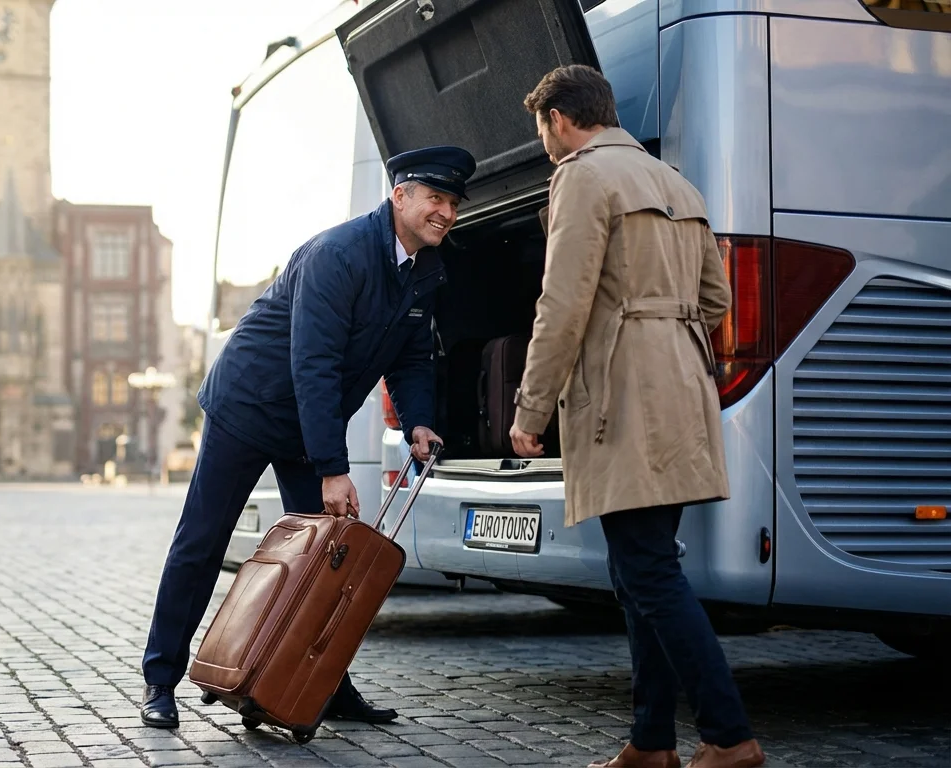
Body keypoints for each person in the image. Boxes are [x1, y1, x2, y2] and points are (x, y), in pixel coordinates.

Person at [139, 145, 474, 729]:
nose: (445, 212)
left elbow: (412, 355)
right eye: (435, 198)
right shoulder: (337, 255)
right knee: (202, 541)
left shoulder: (426, 269)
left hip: (306, 420)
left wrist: (418, 420)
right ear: (399, 196)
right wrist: (332, 468)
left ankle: (324, 690)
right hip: (248, 406)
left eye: (452, 202)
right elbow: (313, 364)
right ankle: (160, 680)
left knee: (328, 562)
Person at [509, 65, 765, 768]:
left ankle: (729, 735)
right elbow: (715, 300)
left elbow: (562, 304)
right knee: (641, 570)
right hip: (682, 391)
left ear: (560, 120)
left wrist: (531, 409)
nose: (545, 145)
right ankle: (651, 743)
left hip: (624, 397)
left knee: (647, 572)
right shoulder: (676, 182)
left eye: (543, 130)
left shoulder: (582, 176)